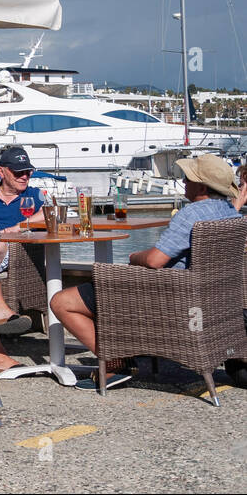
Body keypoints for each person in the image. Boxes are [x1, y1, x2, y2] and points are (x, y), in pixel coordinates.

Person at [51, 154, 245, 392]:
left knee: (61, 301)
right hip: (211, 302)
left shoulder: (191, 214)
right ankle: (125, 351)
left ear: (202, 186)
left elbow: (154, 261)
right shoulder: (230, 213)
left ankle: (115, 363)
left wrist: (134, 257)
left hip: (169, 301)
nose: (183, 182)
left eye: (187, 178)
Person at [0, 146, 42, 335]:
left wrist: (19, 227)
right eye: (18, 172)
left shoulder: (33, 194)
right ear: (2, 172)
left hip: (15, 255)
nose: (24, 176)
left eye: (27, 172)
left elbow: (50, 214)